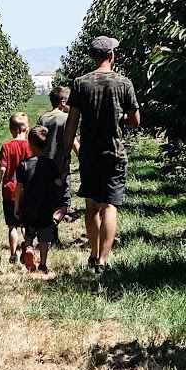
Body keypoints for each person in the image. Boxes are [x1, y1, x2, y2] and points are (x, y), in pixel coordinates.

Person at [59, 35, 140, 274]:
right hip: (114, 152)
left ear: (93, 57)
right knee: (110, 205)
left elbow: (72, 122)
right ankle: (103, 261)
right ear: (111, 55)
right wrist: (121, 120)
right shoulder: (124, 83)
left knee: (91, 205)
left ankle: (94, 254)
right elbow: (135, 121)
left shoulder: (80, 83)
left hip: (89, 153)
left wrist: (66, 154)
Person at [14, 124, 59, 273]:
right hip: (46, 208)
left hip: (28, 207)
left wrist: (16, 206)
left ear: (30, 145)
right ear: (46, 146)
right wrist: (64, 173)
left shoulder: (24, 164)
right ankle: (43, 263)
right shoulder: (50, 164)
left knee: (29, 234)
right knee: (44, 238)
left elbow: (19, 187)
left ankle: (28, 248)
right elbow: (59, 182)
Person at [0, 111, 31, 265]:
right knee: (26, 224)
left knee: (12, 226)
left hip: (9, 191)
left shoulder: (6, 147)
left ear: (12, 130)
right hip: (26, 191)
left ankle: (13, 254)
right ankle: (27, 247)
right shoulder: (30, 146)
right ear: (27, 129)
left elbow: (2, 168)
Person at [39, 82, 77, 219]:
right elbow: (73, 142)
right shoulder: (66, 119)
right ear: (63, 102)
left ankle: (49, 227)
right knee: (62, 202)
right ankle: (53, 224)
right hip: (61, 167)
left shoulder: (43, 118)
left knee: (48, 200)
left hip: (44, 167)